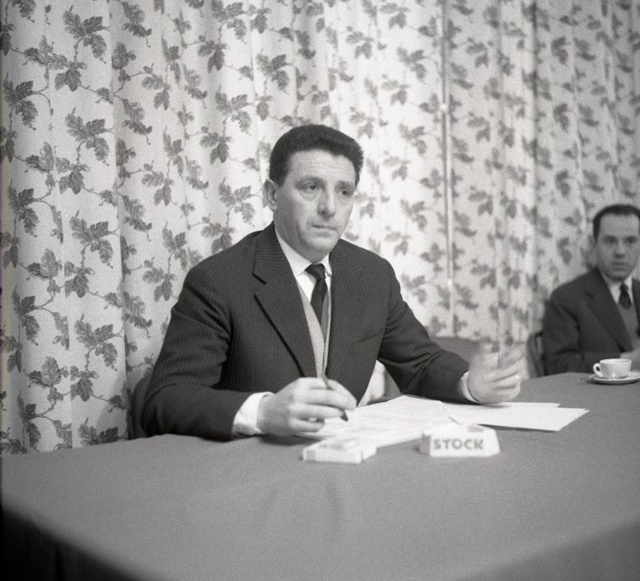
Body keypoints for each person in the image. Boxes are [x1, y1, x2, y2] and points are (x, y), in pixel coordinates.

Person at [141, 125, 522, 441]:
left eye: (344, 191)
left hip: (345, 459)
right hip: (250, 469)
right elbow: (166, 400)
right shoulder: (218, 280)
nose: (329, 207)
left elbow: (419, 362)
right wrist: (264, 412)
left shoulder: (372, 275)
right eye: (311, 187)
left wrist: (469, 384)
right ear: (272, 195)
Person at [543, 204, 640, 374]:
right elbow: (558, 365)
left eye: (630, 241)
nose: (620, 252)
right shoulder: (566, 298)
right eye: (610, 241)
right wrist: (628, 361)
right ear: (594, 245)